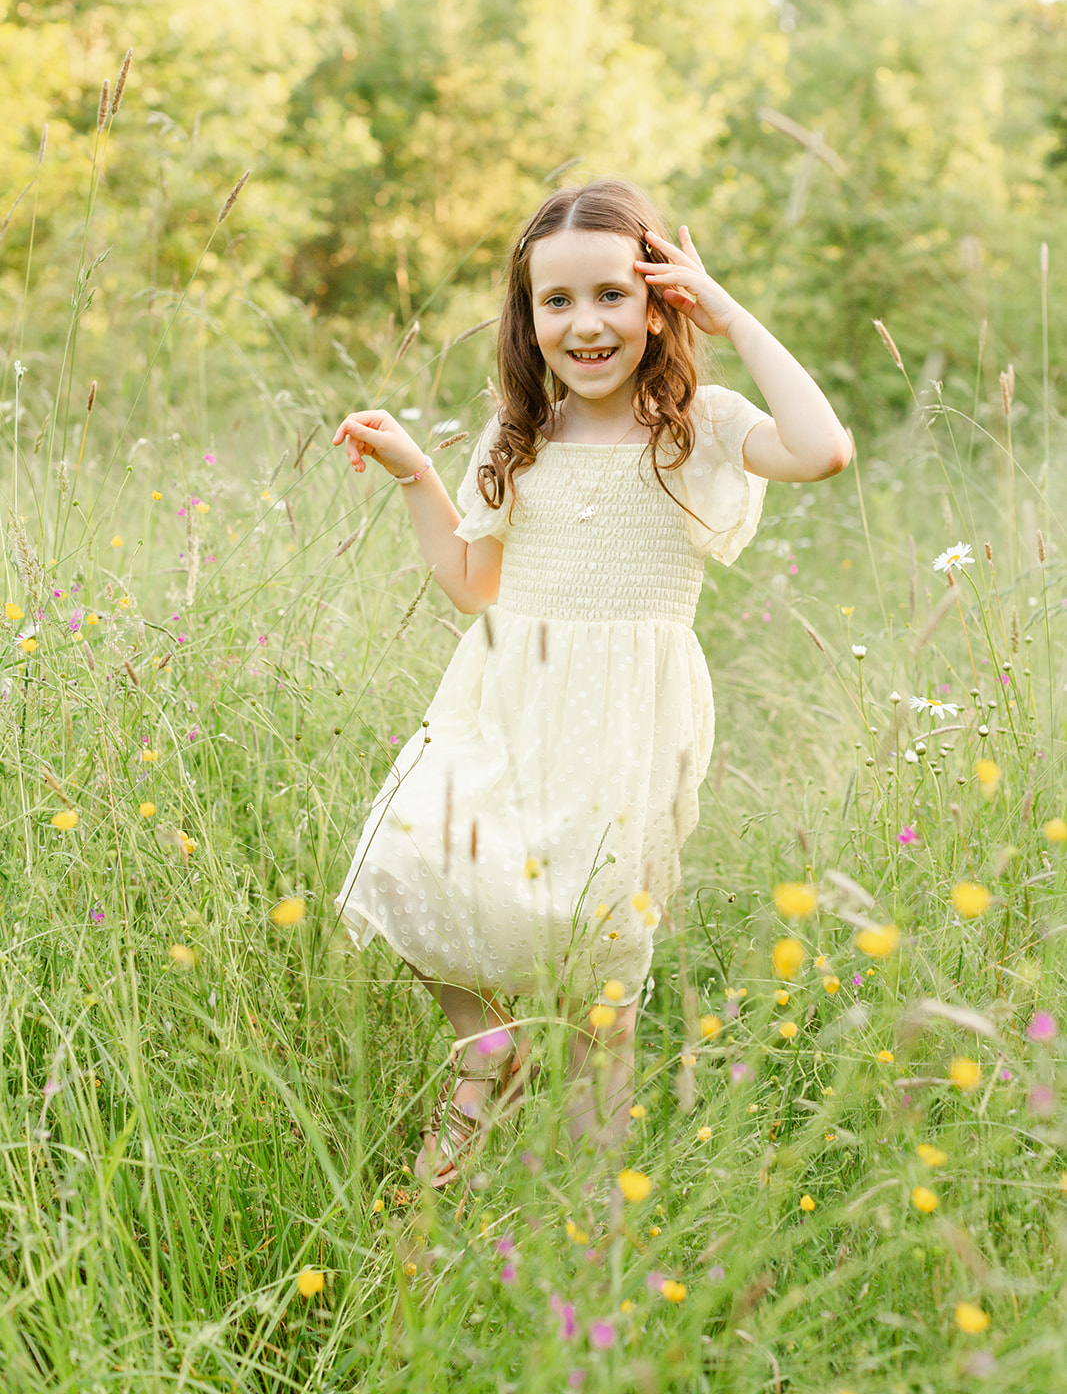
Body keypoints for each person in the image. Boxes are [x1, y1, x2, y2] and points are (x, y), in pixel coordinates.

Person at [332, 179, 851, 1186]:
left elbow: (822, 448)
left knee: (593, 960)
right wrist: (414, 476)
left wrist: (729, 312)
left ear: (659, 302)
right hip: (499, 696)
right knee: (401, 855)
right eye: (555, 301)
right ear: (527, 322)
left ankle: (591, 1213)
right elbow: (473, 581)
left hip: (622, 726)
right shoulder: (517, 434)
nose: (585, 323)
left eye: (611, 294)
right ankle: (482, 1048)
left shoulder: (698, 428)